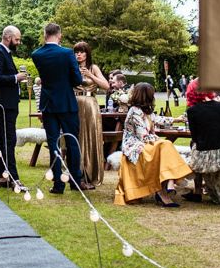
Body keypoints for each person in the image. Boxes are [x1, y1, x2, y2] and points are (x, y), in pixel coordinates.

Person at [32, 23, 90, 193]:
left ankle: (58, 183)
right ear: (60, 35)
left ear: (45, 35)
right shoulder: (66, 53)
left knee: (53, 143)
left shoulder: (37, 55)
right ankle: (75, 181)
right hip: (66, 102)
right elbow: (77, 80)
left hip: (48, 104)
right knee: (72, 141)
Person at [114, 83, 191, 207]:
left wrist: (176, 119)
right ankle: (168, 183)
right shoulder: (134, 112)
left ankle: (168, 184)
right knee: (165, 144)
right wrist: (157, 139)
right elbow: (142, 136)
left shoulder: (144, 110)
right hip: (135, 147)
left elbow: (157, 119)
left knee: (165, 145)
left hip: (145, 144)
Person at [184, 91, 220, 205]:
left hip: (204, 157)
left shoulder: (192, 111)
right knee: (197, 149)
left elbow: (195, 136)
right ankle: (216, 194)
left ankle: (198, 191)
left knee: (194, 149)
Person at [0, 26, 28, 189]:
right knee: (9, 139)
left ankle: (2, 177)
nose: (18, 43)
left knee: (6, 138)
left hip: (8, 102)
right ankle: (12, 177)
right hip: (4, 104)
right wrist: (15, 78)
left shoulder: (5, 53)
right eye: (17, 39)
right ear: (8, 37)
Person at [73, 41, 108, 186]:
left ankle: (91, 172)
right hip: (75, 103)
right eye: (76, 52)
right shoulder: (72, 67)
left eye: (81, 52)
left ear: (87, 53)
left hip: (90, 103)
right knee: (76, 137)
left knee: (90, 136)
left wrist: (90, 75)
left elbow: (106, 86)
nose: (79, 54)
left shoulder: (93, 68)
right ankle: (77, 173)